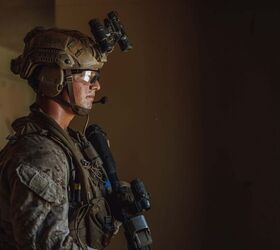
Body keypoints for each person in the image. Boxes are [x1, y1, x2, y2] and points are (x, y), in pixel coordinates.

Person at [0, 27, 119, 250]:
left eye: (96, 76)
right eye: (86, 75)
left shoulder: (68, 144)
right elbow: (50, 244)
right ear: (52, 79)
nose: (96, 85)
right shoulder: (41, 155)